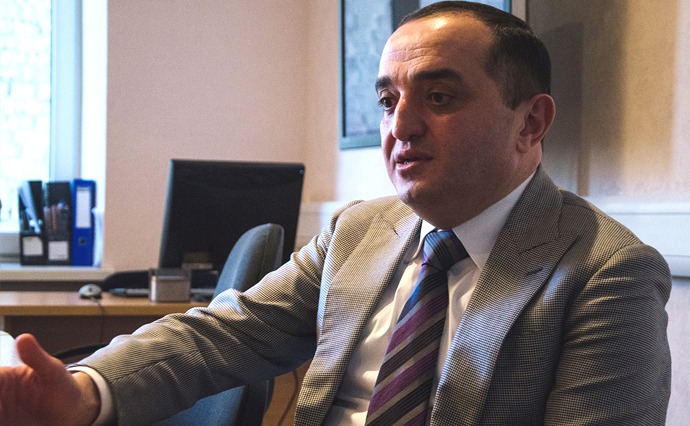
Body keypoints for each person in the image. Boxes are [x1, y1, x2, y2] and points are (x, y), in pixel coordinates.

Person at [0, 2, 672, 425]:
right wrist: (85, 391)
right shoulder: (360, 230)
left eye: (439, 97)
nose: (400, 127)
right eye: (387, 101)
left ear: (531, 122)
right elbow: (222, 336)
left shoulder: (606, 272)